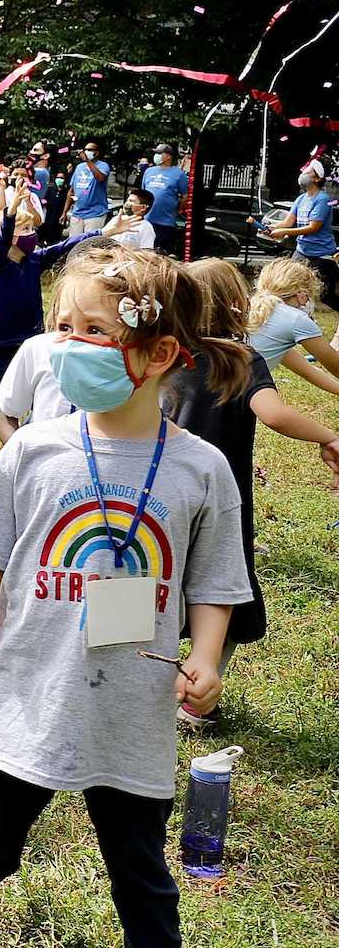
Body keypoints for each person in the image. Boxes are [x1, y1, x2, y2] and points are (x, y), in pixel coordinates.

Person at [0, 251, 250, 948]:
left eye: (93, 329)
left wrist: (205, 657)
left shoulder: (202, 468)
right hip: (27, 695)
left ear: (160, 354)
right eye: (63, 326)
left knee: (142, 870)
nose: (67, 343)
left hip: (133, 708)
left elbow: (215, 582)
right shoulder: (34, 450)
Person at [169, 260, 339, 727]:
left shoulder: (166, 355)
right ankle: (198, 696)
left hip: (163, 497)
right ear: (235, 304)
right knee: (224, 590)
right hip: (222, 502)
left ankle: (141, 684)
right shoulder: (239, 359)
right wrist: (329, 436)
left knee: (158, 585)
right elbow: (274, 414)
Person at [0, 192, 89, 467]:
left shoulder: (34, 260)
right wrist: (10, 213)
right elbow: (1, 243)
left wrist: (105, 231)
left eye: (32, 229)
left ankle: (26, 451)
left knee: (34, 402)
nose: (32, 234)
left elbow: (66, 246)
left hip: (29, 341)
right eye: (26, 229)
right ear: (9, 235)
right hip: (0, 346)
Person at [245, 256, 339, 401]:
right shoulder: (296, 319)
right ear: (302, 294)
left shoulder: (256, 309)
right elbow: (336, 366)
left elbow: (308, 371)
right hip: (232, 397)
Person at [264, 162, 339, 313]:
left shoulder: (323, 199)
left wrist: (284, 232)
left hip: (321, 255)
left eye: (308, 171)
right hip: (301, 252)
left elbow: (313, 228)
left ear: (317, 178)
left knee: (326, 296)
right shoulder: (301, 199)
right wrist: (274, 227)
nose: (303, 173)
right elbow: (288, 222)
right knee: (289, 286)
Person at [140, 145, 188, 256]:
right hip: (147, 219)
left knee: (162, 255)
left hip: (165, 222)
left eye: (159, 153)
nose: (155, 156)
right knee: (145, 253)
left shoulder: (178, 174)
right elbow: (143, 193)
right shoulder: (148, 172)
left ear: (168, 156)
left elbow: (185, 196)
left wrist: (178, 209)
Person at [63, 141, 111, 237]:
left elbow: (100, 178)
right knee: (73, 244)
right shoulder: (79, 167)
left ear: (96, 153)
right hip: (77, 213)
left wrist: (87, 161)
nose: (85, 152)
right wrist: (65, 212)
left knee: (89, 244)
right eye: (85, 150)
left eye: (89, 150)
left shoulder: (103, 166)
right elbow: (71, 190)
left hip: (95, 214)